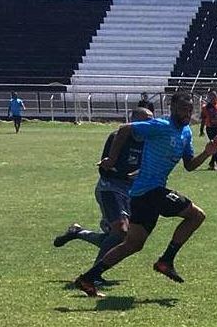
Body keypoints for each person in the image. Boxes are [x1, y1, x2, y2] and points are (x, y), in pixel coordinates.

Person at [73, 93, 217, 298]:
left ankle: (87, 278)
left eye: (190, 110)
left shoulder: (186, 132)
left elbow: (189, 166)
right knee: (196, 215)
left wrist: (207, 153)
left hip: (142, 195)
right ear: (172, 108)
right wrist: (111, 158)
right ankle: (166, 260)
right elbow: (125, 129)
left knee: (133, 244)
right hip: (150, 191)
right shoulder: (159, 125)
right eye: (182, 109)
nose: (187, 113)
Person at [54, 107, 151, 281]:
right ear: (132, 120)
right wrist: (120, 172)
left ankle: (77, 232)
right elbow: (105, 167)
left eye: (150, 121)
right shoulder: (118, 137)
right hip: (110, 187)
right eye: (144, 120)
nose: (148, 124)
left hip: (131, 190)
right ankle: (95, 275)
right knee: (121, 230)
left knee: (120, 237)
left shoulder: (149, 141)